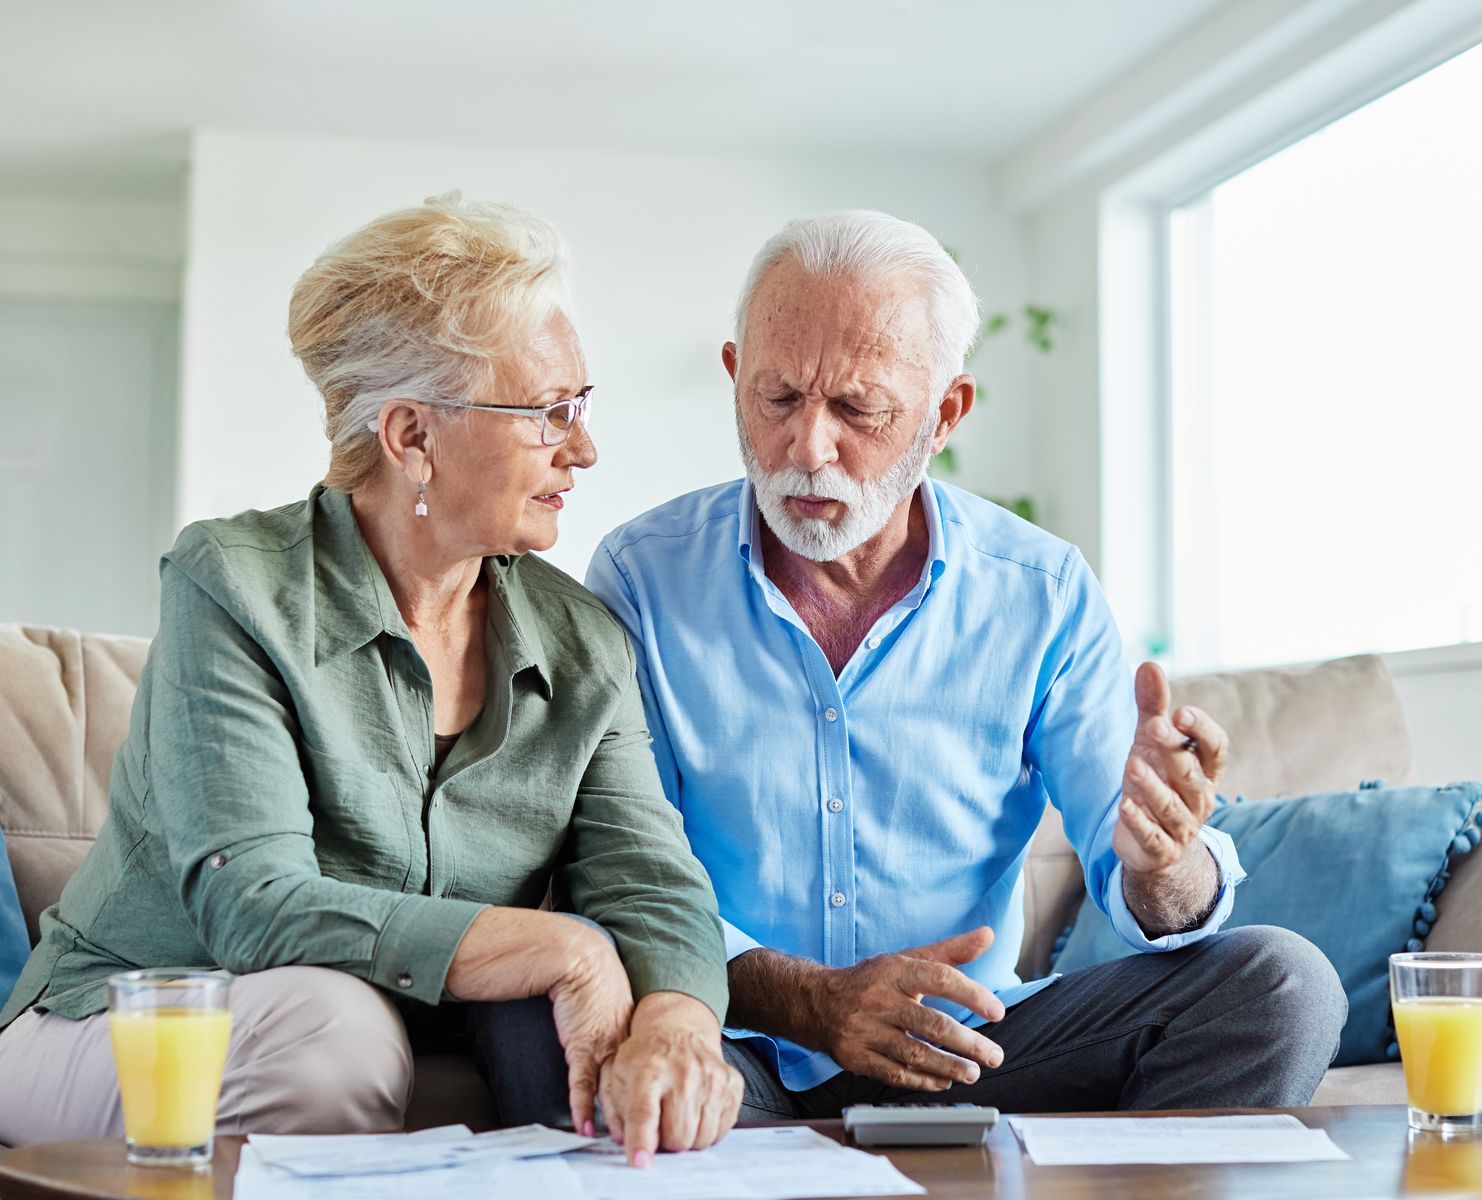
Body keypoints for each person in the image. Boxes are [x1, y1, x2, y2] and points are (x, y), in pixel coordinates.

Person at [0, 194, 742, 1164]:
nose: (583, 447)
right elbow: (254, 902)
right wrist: (562, 946)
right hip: (127, 1027)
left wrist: (679, 1025)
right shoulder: (236, 585)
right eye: (545, 412)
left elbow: (652, 878)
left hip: (376, 1038)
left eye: (582, 405)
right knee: (334, 1038)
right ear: (410, 437)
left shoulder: (583, 641)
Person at [586, 210, 1347, 1120]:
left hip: (975, 1051)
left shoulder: (1042, 591)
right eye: (777, 397)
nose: (806, 449)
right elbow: (631, 868)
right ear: (733, 376)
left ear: (946, 412)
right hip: (737, 1051)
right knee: (540, 1021)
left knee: (1280, 985)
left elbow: (1142, 872)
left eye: (858, 409)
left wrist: (1166, 866)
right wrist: (816, 1005)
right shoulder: (643, 577)